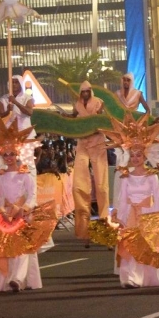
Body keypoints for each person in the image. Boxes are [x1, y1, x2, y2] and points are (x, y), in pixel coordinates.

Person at [104, 114, 159, 288]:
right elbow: (122, 198)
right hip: (130, 215)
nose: (135, 159)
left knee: (146, 246)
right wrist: (120, 216)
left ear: (144, 156)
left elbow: (157, 199)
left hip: (147, 214)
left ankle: (147, 277)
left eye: (138, 155)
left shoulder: (151, 177)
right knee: (130, 245)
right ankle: (131, 278)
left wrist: (156, 219)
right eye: (132, 156)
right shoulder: (125, 178)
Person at [0, 146, 41, 293]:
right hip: (6, 216)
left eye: (11, 154)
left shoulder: (25, 174)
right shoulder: (0, 176)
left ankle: (17, 279)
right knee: (7, 248)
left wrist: (23, 209)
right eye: (5, 155)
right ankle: (8, 279)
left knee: (23, 247)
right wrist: (3, 212)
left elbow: (32, 194)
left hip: (22, 214)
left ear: (17, 155)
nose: (8, 157)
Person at [70, 81, 109, 242]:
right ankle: (82, 228)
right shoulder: (77, 105)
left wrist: (100, 113)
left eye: (88, 91)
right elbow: (73, 119)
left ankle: (105, 223)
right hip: (82, 143)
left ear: (91, 91)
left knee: (101, 185)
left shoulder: (98, 102)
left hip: (98, 143)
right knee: (78, 185)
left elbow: (102, 120)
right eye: (83, 91)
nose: (85, 93)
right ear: (80, 92)